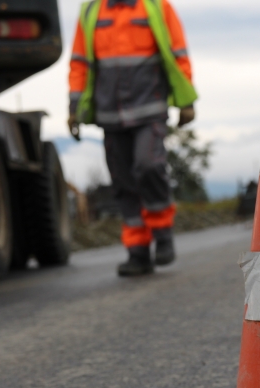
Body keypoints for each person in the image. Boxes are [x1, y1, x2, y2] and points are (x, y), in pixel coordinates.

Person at [67, 0, 198, 276]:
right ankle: (137, 252)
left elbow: (178, 53)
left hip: (149, 110)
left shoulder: (156, 7)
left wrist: (186, 100)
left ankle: (162, 233)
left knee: (148, 165)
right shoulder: (91, 11)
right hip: (110, 115)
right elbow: (79, 63)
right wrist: (73, 108)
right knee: (123, 183)